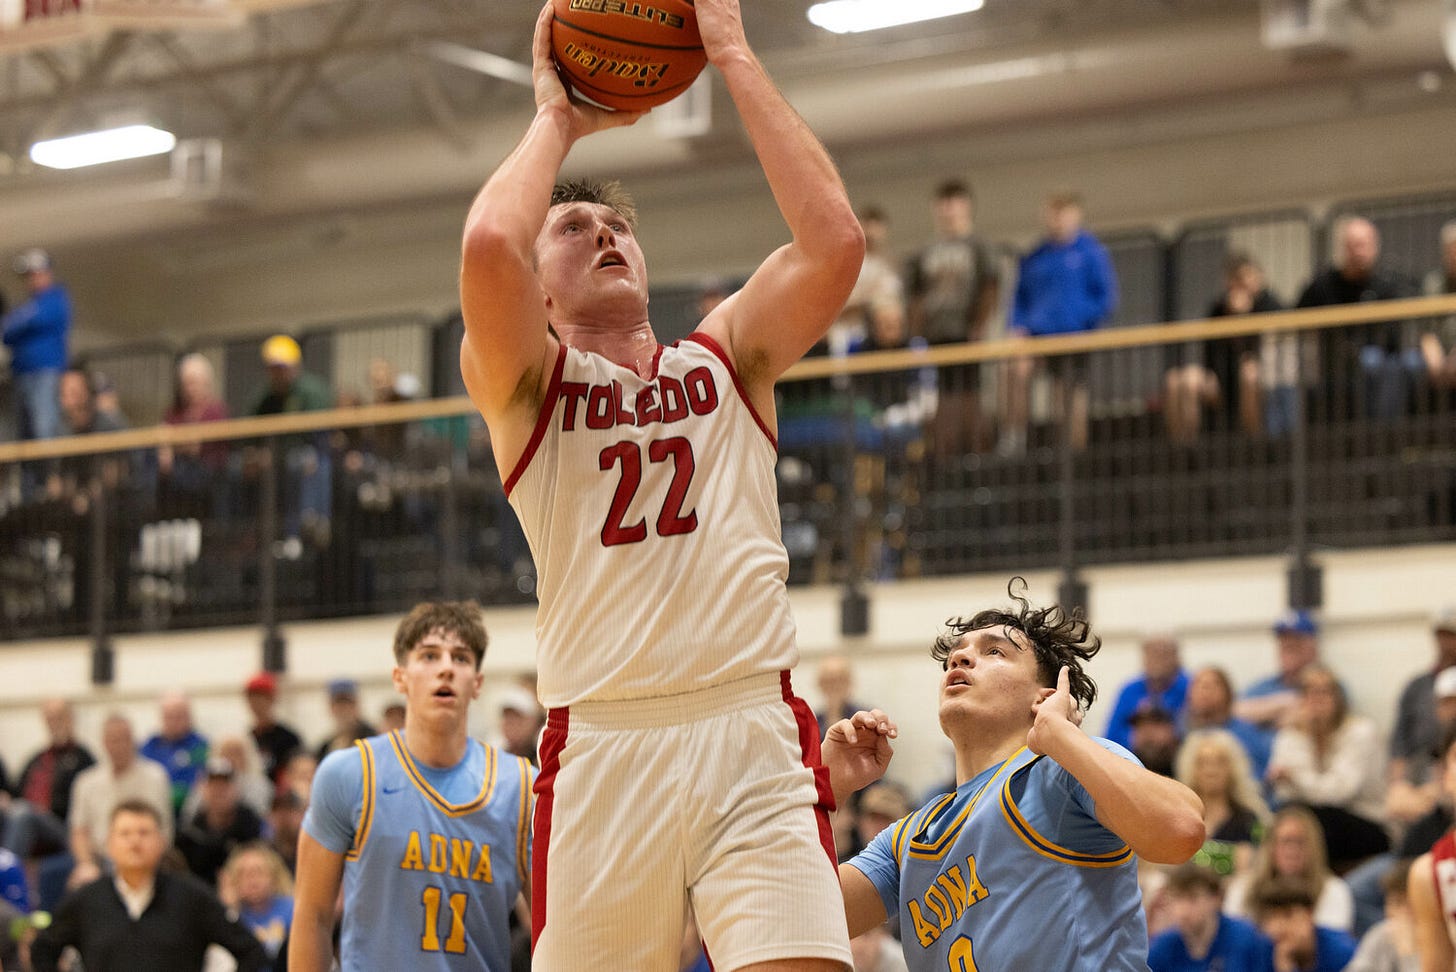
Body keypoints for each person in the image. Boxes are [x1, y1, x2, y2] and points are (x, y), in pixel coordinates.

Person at [458, 1, 865, 968]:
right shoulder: (528, 385)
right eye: (572, 226)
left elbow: (834, 245)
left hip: (751, 731)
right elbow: (485, 248)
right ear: (543, 297)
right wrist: (557, 116)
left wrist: (729, 51)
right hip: (602, 743)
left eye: (619, 228)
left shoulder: (728, 357)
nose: (605, 236)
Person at [825, 579, 1205, 970]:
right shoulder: (907, 839)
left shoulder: (1061, 769)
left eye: (994, 652)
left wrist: (1060, 736)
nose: (961, 660)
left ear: (1044, 695)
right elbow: (797, 918)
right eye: (955, 656)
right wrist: (827, 787)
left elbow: (1181, 831)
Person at [290, 601, 533, 972]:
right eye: (430, 656)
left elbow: (552, 926)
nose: (447, 668)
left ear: (477, 684)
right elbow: (313, 916)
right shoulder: (350, 774)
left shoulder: (522, 786)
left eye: (461, 658)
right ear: (400, 677)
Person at [30, 799, 267, 972]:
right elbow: (42, 949)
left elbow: (250, 950)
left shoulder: (192, 897)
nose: (134, 841)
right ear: (109, 844)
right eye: (125, 833)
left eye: (144, 833)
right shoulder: (85, 900)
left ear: (162, 842)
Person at [1001, 190, 1117, 455]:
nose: (1058, 219)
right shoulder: (1035, 256)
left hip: (1073, 337)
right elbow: (1019, 299)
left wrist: (1081, 324)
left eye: (1064, 211)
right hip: (1039, 337)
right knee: (1014, 368)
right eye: (1053, 212)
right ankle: (1014, 438)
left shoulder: (1090, 252)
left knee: (1067, 398)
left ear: (1076, 214)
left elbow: (1105, 298)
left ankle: (1073, 454)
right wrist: (1017, 327)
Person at [904, 179, 1001, 457]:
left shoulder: (979, 245)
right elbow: (916, 294)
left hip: (967, 334)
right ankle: (945, 457)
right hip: (934, 337)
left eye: (954, 203)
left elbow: (990, 286)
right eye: (943, 204)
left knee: (970, 395)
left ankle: (976, 457)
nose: (949, 210)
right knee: (941, 399)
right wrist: (916, 333)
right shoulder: (925, 251)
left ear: (966, 206)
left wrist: (980, 326)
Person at [1267, 664, 1389, 871]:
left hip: (1365, 821)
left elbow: (1339, 792)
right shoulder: (1291, 735)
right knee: (1285, 817)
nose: (1318, 699)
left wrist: (1296, 778)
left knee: (1310, 819)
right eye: (1310, 692)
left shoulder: (1361, 732)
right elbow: (1282, 790)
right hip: (1314, 818)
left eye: (1325, 691)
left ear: (1339, 697)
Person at [1297, 216, 1419, 421]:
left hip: (1389, 355)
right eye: (1353, 246)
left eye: (1363, 245)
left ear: (1375, 247)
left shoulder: (1390, 280)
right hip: (1340, 361)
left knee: (1411, 363)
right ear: (1343, 249)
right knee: (1371, 362)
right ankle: (1378, 435)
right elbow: (1297, 314)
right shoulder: (1324, 285)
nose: (1358, 252)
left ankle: (1389, 434)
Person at [1165, 252, 1275, 442]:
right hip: (1221, 378)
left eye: (1246, 278)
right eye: (1236, 280)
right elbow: (1210, 352)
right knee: (1175, 380)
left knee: (1249, 373)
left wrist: (1242, 318)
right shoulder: (1218, 309)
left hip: (1258, 378)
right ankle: (1184, 447)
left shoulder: (1269, 305)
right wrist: (1230, 314)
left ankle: (1255, 441)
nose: (1242, 285)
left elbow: (1265, 351)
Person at [67, 713, 173, 889]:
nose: (119, 746)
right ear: (104, 743)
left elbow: (163, 831)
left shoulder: (155, 776)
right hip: (99, 860)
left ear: (133, 741)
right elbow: (79, 832)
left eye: (124, 739)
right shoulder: (86, 781)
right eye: (113, 740)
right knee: (78, 883)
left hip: (144, 857)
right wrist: (87, 864)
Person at [1224, 806, 1355, 933]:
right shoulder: (1243, 888)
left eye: (1300, 842)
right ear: (1270, 847)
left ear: (1314, 848)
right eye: (1286, 842)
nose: (1292, 851)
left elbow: (1331, 941)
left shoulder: (1334, 890)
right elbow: (1234, 936)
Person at [1, 699, 95, 866]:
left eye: (59, 717)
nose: (54, 723)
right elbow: (16, 792)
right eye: (50, 719)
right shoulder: (37, 759)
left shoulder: (83, 758)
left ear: (71, 719)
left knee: (23, 813)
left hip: (62, 828)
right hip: (28, 821)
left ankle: (6, 874)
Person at [1387, 610, 1456, 829]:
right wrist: (1399, 786)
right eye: (1442, 635)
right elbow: (1399, 745)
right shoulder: (1417, 687)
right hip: (1420, 774)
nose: (1446, 643)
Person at [1176, 728, 1272, 877]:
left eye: (1220, 762)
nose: (1211, 771)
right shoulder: (1178, 818)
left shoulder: (1248, 820)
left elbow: (1257, 868)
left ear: (1233, 768)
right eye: (1202, 763)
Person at [1, 248, 70, 443]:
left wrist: (18, 324)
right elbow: (6, 334)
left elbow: (32, 321)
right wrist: (18, 324)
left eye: (35, 273)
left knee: (44, 427)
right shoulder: (27, 305)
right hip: (21, 374)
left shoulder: (56, 299)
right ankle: (29, 474)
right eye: (28, 276)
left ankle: (50, 473)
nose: (31, 279)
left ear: (46, 272)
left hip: (46, 374)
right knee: (22, 434)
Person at [1148, 861, 1268, 972]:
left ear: (1216, 898)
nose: (1182, 911)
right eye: (1177, 898)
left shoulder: (1247, 939)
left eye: (1192, 898)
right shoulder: (1163, 945)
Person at [1236, 610, 1324, 754]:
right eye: (1283, 641)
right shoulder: (1263, 687)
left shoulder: (1326, 685)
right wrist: (1282, 704)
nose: (1288, 645)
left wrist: (1263, 716)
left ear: (1312, 647)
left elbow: (1322, 718)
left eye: (1296, 641)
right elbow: (1234, 712)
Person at [176, 756, 264, 886]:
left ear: (236, 789)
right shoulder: (189, 832)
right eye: (213, 785)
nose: (219, 791)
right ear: (202, 789)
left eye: (224, 785)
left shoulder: (253, 827)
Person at [1251, 877, 1358, 972]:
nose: (1278, 927)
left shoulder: (1342, 952)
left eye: (1288, 915)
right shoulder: (1262, 949)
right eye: (1271, 918)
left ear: (1309, 914)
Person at [1104, 633, 1190, 750]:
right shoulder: (1129, 691)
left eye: (1164, 654)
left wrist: (1172, 734)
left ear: (1176, 657)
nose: (1158, 661)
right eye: (1153, 654)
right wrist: (1135, 736)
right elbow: (1111, 737)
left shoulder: (1190, 688)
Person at [1185, 665, 1273, 778]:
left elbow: (1261, 774)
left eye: (1210, 686)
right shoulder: (1183, 732)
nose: (1203, 691)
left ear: (1226, 692)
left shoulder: (1246, 732)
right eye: (1198, 685)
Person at [221, 842, 295, 969]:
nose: (252, 880)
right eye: (243, 874)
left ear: (274, 876)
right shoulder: (232, 915)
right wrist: (229, 909)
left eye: (258, 872)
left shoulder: (292, 908)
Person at [140, 690, 210, 819]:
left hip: (193, 814)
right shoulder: (147, 748)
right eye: (170, 716)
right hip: (155, 812)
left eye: (180, 715)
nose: (175, 721)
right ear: (161, 717)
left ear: (190, 716)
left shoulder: (202, 746)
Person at [1347, 858, 1418, 972]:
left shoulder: (1441, 938)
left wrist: (1408, 954)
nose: (1393, 912)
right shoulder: (1379, 934)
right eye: (1392, 903)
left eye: (1408, 903)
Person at [244, 672, 302, 786]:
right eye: (252, 698)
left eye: (261, 697)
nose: (256, 703)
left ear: (272, 699)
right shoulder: (247, 738)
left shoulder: (288, 739)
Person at [313, 678, 376, 761]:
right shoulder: (325, 747)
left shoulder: (372, 738)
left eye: (348, 703)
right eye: (338, 704)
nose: (343, 710)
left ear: (357, 705)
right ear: (331, 707)